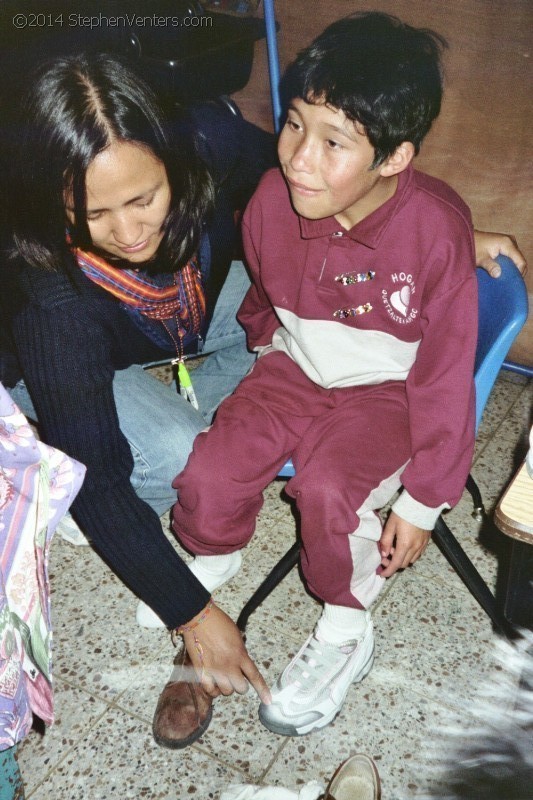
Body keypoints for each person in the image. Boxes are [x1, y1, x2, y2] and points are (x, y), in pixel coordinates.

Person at [0, 47, 525, 751]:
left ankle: (343, 624)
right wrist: (193, 612)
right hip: (131, 348)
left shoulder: (227, 150)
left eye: (143, 199)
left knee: (317, 485)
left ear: (177, 162)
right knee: (193, 467)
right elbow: (102, 480)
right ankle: (190, 539)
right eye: (94, 213)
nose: (128, 234)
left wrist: (450, 242)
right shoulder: (51, 297)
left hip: (318, 356)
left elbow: (362, 196)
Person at [171, 11, 528, 740]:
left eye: (334, 142)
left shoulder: (434, 230)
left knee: (329, 492)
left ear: (394, 158)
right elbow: (266, 292)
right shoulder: (271, 198)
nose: (299, 157)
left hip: (391, 391)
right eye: (296, 124)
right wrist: (269, 343)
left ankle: (345, 622)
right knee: (208, 473)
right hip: (297, 366)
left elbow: (441, 379)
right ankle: (216, 552)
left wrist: (424, 500)